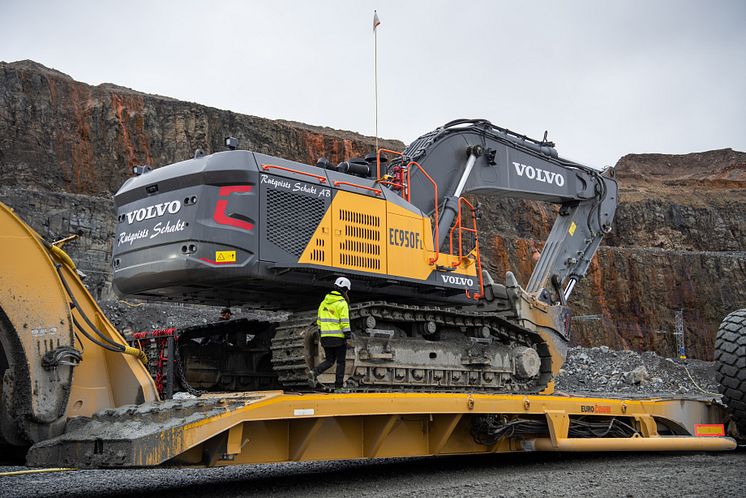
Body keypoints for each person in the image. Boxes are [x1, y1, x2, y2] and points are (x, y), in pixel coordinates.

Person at [309, 277, 352, 390]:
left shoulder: (324, 303)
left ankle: (314, 372)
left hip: (325, 337)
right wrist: (348, 335)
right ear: (345, 289)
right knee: (341, 362)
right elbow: (344, 321)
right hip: (338, 338)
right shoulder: (342, 303)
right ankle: (338, 387)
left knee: (329, 360)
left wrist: (321, 333)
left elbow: (319, 321)